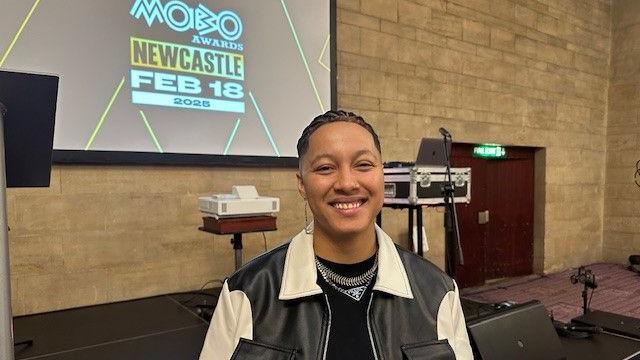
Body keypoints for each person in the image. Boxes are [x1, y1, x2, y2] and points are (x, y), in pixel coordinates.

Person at [199, 110, 473, 360]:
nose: (346, 183)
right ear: (302, 185)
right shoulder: (246, 293)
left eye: (364, 165)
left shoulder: (438, 293)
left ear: (382, 175)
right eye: (325, 168)